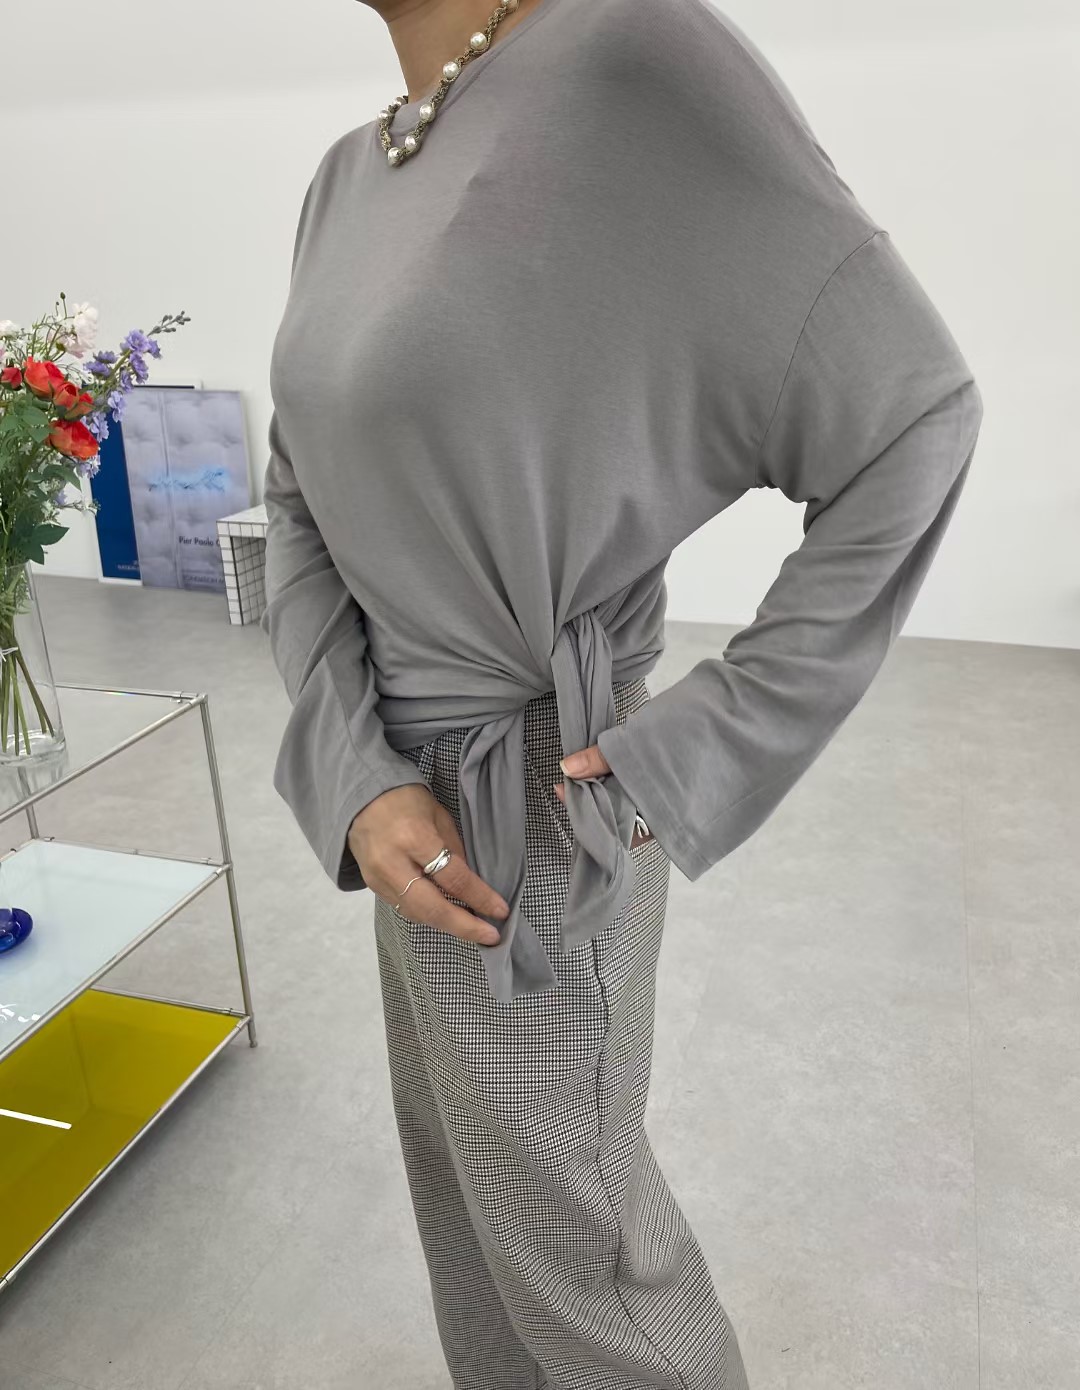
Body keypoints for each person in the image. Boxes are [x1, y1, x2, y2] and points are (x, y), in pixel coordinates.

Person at [259, 0, 985, 1386]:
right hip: (401, 800)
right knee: (473, 1212)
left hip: (538, 803)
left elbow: (911, 408)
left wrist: (706, 742)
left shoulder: (626, 53)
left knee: (587, 1269)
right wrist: (352, 772)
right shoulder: (350, 174)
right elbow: (296, 495)